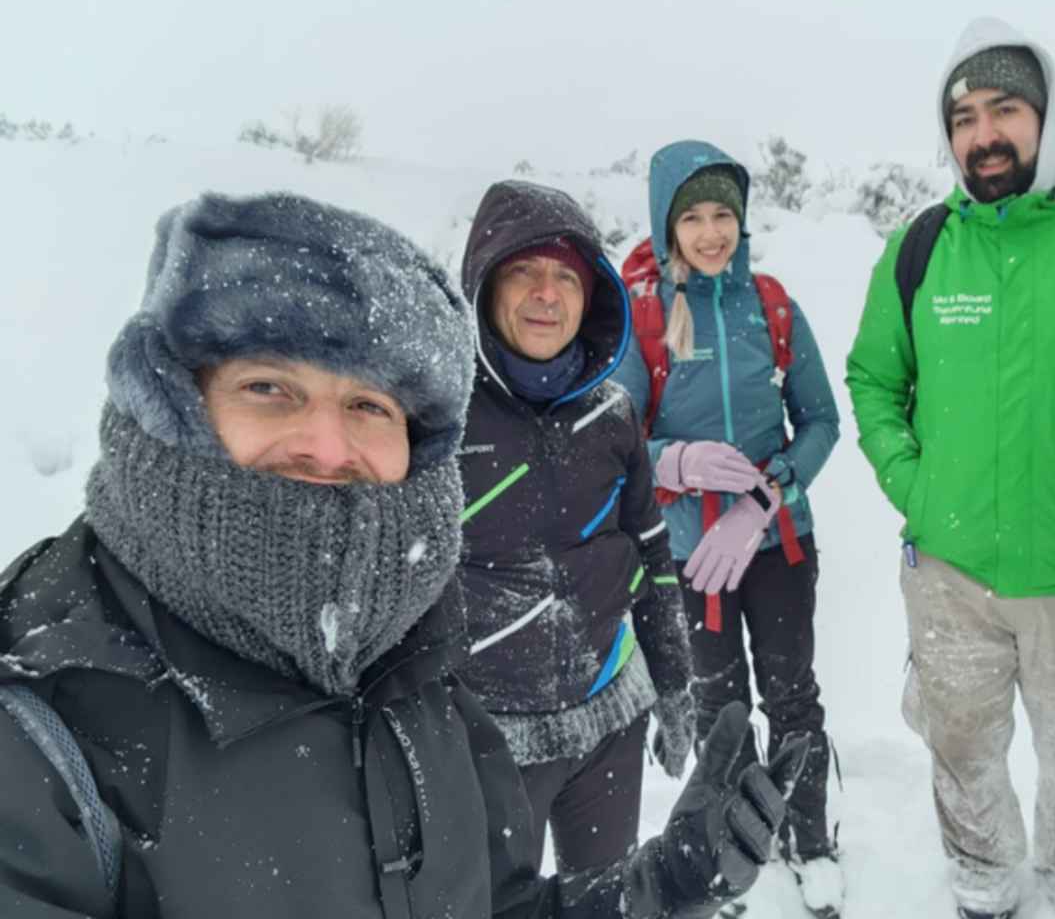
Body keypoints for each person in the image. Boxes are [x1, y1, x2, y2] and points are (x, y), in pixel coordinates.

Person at [0, 191, 811, 918]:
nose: (327, 444)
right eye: (268, 388)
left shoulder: (411, 679)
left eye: (365, 404)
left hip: (604, 719)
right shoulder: (45, 720)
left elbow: (493, 906)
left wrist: (658, 888)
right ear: (172, 398)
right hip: (511, 722)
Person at [846, 17, 1055, 919]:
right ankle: (983, 888)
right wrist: (918, 488)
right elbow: (875, 380)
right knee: (961, 752)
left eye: (1004, 108)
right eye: (964, 117)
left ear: (1046, 116)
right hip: (950, 580)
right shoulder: (921, 250)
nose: (983, 133)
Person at [613, 139, 843, 917]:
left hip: (776, 542)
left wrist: (765, 495)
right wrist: (673, 463)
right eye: (694, 217)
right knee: (719, 707)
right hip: (687, 556)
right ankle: (724, 849)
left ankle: (808, 837)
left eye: (725, 216)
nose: (712, 232)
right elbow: (611, 441)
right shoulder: (640, 312)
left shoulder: (771, 304)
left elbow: (820, 420)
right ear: (667, 224)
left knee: (792, 694)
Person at [455, 179, 695, 873]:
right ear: (484, 285)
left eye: (566, 276)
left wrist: (674, 681)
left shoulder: (612, 413)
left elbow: (652, 554)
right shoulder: (436, 421)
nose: (546, 293)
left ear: (591, 298)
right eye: (523, 270)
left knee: (606, 895)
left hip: (608, 720)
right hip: (488, 740)